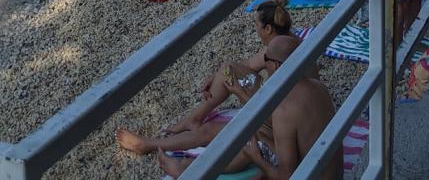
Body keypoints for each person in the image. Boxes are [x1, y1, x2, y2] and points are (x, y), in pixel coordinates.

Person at [120, 36, 340, 180]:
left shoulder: (285, 108)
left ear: (277, 65)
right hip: (320, 163)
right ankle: (149, 145)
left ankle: (185, 170)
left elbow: (286, 175)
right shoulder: (314, 84)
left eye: (267, 60)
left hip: (308, 170)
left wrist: (257, 158)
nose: (265, 62)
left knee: (242, 141)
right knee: (223, 129)